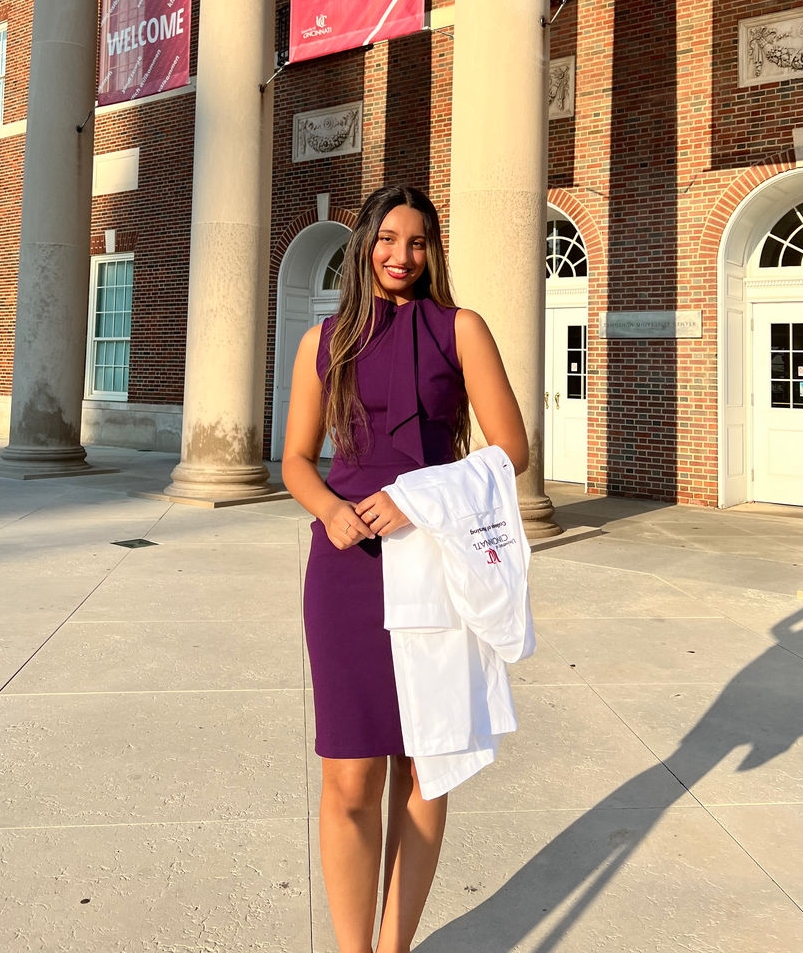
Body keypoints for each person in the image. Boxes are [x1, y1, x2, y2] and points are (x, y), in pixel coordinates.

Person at [281, 184, 528, 953]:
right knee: (350, 776)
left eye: (417, 242)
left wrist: (415, 497)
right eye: (388, 238)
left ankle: (395, 947)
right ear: (363, 245)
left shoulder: (462, 329)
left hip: (435, 561)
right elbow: (294, 459)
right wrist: (328, 509)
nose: (401, 255)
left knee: (426, 763)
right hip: (347, 567)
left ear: (433, 251)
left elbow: (511, 448)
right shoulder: (321, 342)